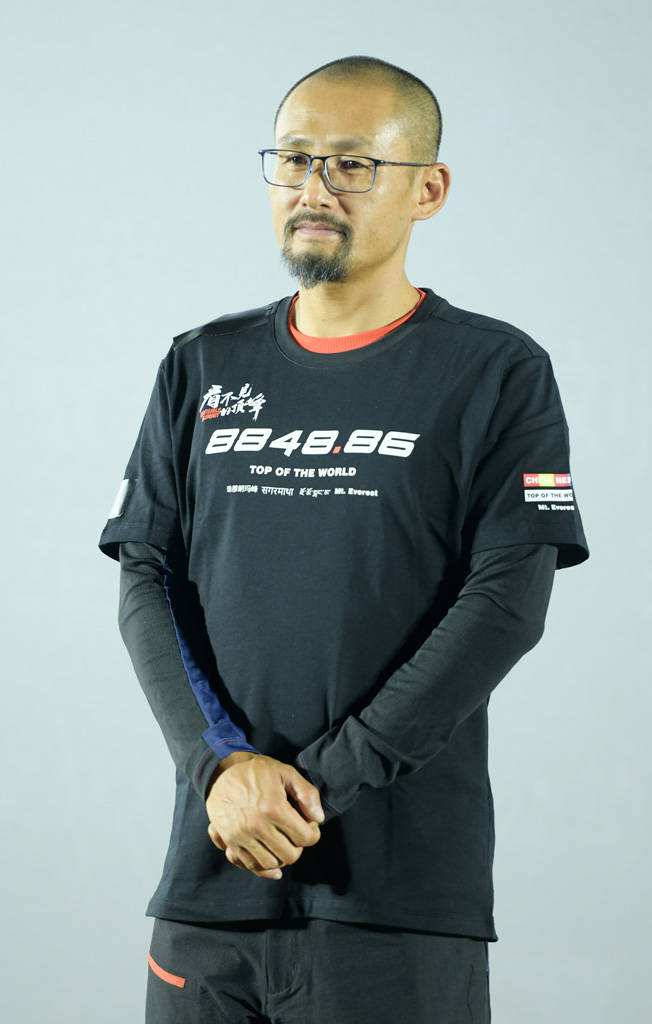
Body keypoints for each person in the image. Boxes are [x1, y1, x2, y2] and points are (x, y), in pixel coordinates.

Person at [99, 54, 590, 1024]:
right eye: (293, 160)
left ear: (428, 190)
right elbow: (146, 577)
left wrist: (307, 789)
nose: (313, 188)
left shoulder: (496, 371)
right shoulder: (201, 364)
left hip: (396, 899)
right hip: (211, 882)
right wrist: (221, 769)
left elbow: (504, 606)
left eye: (353, 164)